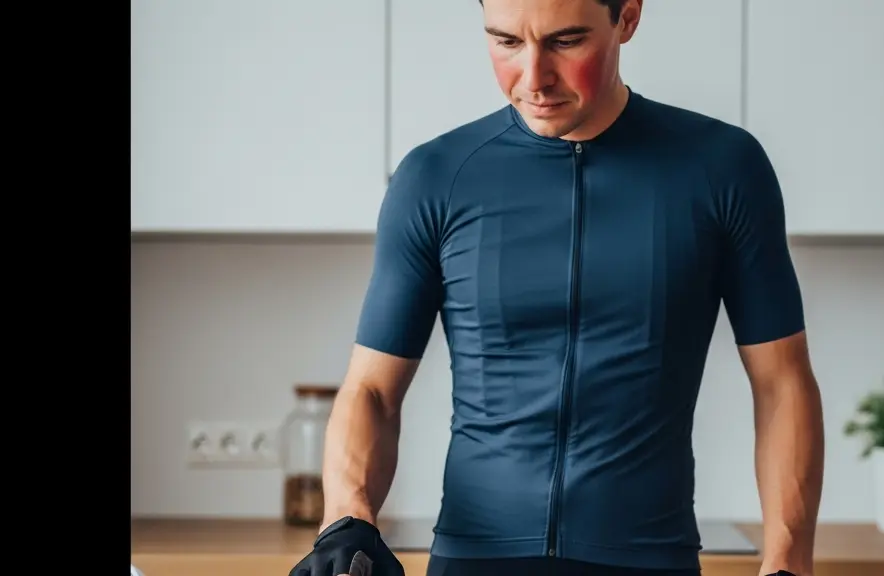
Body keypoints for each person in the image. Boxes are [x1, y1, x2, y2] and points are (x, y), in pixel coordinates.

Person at [289, 0, 825, 575]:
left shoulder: (721, 168)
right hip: (474, 559)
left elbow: (782, 382)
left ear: (627, 18)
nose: (534, 78)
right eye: (506, 42)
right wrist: (347, 517)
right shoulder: (436, 178)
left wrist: (788, 560)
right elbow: (371, 388)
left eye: (566, 42)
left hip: (648, 559)